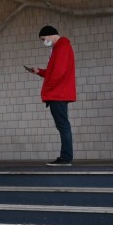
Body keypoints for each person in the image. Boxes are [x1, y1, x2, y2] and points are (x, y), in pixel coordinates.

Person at [26, 25, 76, 166]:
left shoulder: (62, 47)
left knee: (63, 126)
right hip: (59, 92)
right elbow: (54, 71)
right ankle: (65, 157)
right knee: (63, 125)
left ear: (49, 35)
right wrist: (39, 71)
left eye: (43, 39)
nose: (43, 42)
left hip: (58, 94)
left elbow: (58, 73)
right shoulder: (59, 48)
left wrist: (47, 89)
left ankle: (66, 158)